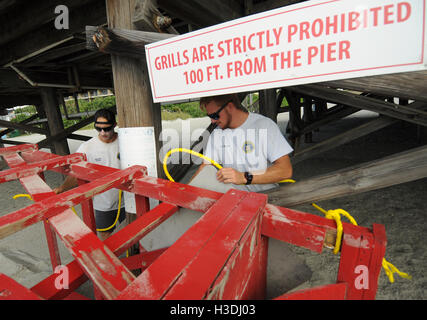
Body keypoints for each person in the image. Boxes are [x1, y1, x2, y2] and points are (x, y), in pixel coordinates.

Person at [191, 93, 293, 193]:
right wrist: (185, 191)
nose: (212, 121)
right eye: (210, 116)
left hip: (268, 196)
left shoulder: (264, 125)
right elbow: (205, 167)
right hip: (237, 199)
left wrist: (244, 177)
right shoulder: (217, 134)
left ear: (229, 107)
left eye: (215, 115)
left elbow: (285, 170)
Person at [54, 108, 125, 241]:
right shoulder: (87, 148)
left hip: (128, 200)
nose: (103, 132)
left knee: (131, 233)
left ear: (114, 125)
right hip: (103, 202)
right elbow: (76, 173)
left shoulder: (126, 142)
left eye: (107, 128)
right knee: (105, 236)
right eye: (98, 129)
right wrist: (62, 189)